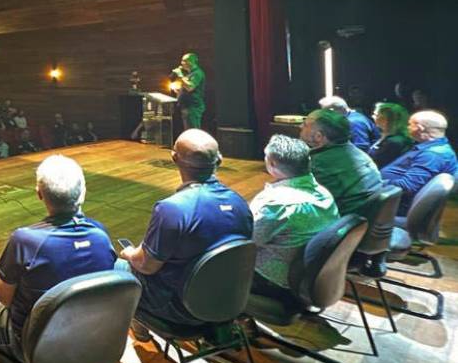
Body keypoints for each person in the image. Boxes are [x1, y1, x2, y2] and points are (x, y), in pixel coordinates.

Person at [0, 155, 116, 363]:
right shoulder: (101, 236)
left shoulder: (25, 240)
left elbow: (3, 298)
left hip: (33, 345)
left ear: (39, 194)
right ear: (83, 192)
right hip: (88, 338)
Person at [120, 129, 252, 326]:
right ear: (220, 160)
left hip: (180, 308)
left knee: (118, 268)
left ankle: (140, 327)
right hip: (228, 300)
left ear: (174, 158)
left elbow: (146, 266)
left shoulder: (172, 209)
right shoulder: (241, 204)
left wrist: (129, 253)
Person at [249, 135, 339, 293]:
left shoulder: (276, 204)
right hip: (314, 278)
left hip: (275, 283)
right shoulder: (324, 194)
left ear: (271, 164)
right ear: (308, 162)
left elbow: (246, 244)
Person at [300, 109, 382, 216]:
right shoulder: (356, 152)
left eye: (305, 124)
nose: (300, 126)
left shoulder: (319, 164)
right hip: (363, 220)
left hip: (344, 226)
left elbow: (301, 200)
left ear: (319, 137)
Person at [381, 110, 458, 216]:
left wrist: (375, 183)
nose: (407, 127)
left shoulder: (433, 154)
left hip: (394, 209)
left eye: (410, 124)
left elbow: (407, 187)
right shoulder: (432, 147)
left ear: (420, 128)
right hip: (392, 201)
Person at [368, 102, 413, 169]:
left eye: (377, 115)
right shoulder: (387, 136)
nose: (372, 117)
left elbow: (379, 163)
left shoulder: (395, 142)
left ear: (385, 120)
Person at [171, 52, 206, 131]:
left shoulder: (197, 73)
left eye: (184, 61)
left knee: (193, 132)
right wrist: (179, 91)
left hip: (193, 107)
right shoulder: (190, 74)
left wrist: (180, 75)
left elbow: (190, 87)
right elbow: (187, 88)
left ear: (192, 62)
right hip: (187, 107)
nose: (181, 63)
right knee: (188, 132)